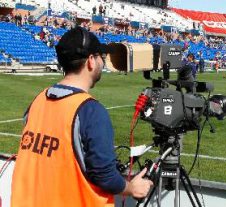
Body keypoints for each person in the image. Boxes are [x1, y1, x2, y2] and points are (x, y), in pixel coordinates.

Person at [11, 27, 153, 207]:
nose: (103, 62)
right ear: (91, 61)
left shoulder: (38, 99)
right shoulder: (90, 110)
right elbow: (105, 176)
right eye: (101, 57)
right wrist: (132, 188)